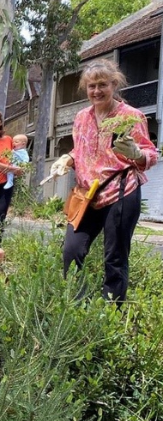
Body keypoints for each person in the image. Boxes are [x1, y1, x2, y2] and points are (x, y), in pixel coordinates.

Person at [50, 58, 157, 303]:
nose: (96, 91)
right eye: (91, 86)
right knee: (71, 251)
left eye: (102, 85)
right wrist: (66, 158)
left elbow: (150, 154)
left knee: (115, 257)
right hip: (88, 195)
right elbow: (82, 150)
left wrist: (137, 154)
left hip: (121, 192)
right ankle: (77, 307)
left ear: (114, 84)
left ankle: (110, 315)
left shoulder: (131, 116)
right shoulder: (81, 117)